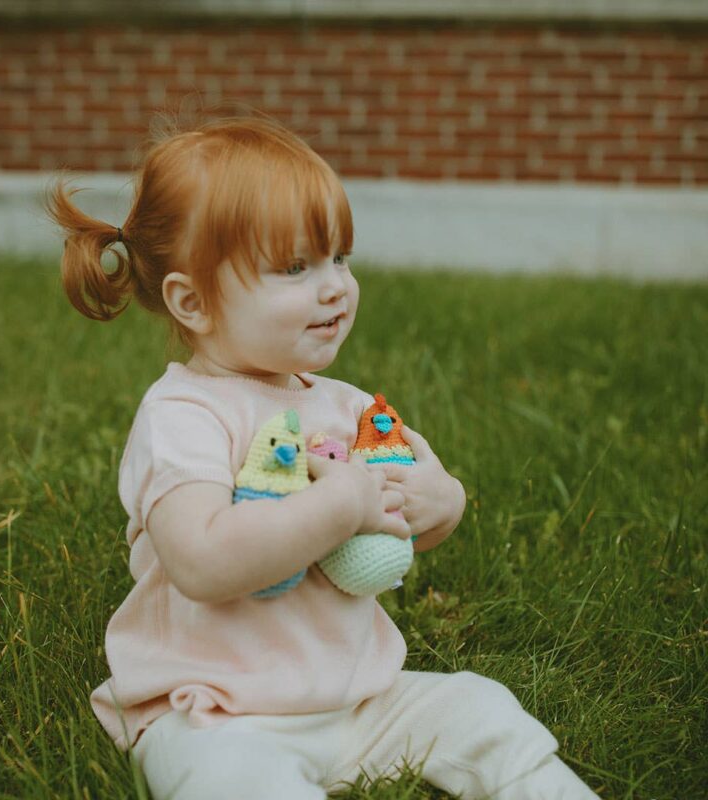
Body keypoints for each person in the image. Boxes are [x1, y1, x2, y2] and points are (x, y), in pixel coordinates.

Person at [47, 113, 599, 799]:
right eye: (294, 267)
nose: (335, 285)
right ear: (192, 301)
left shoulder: (346, 405)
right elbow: (203, 561)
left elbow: (401, 518)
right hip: (216, 712)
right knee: (228, 781)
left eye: (340, 256)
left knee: (479, 708)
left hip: (360, 700)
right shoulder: (183, 417)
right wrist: (338, 505)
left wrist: (439, 502)